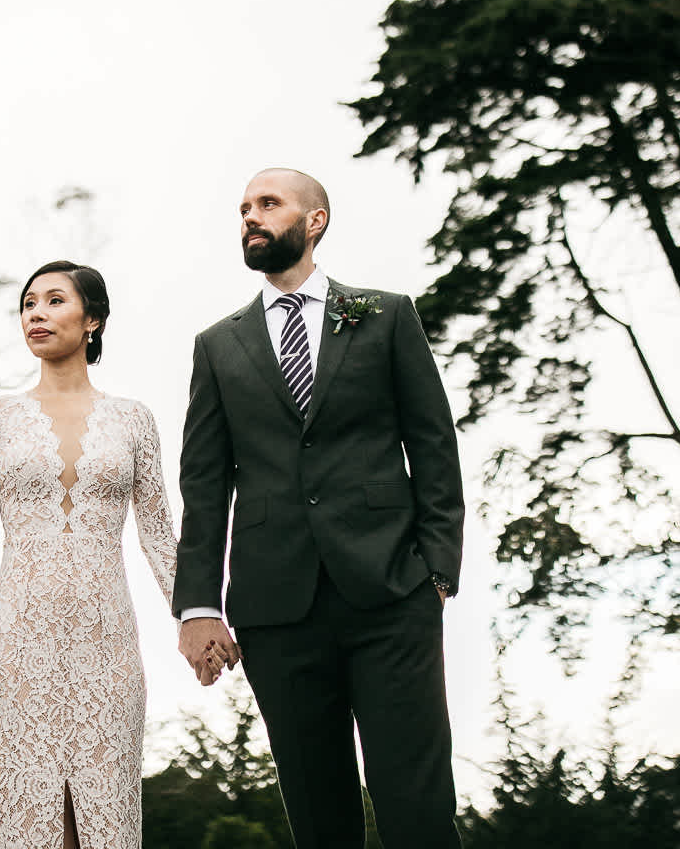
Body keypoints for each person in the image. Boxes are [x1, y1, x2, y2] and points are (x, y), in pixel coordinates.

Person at [172, 168, 467, 849]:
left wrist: (438, 570)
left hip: (392, 593)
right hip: (276, 609)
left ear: (314, 221)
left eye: (268, 204)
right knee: (318, 814)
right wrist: (197, 606)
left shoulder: (387, 315)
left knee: (416, 803)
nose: (251, 216)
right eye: (244, 207)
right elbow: (206, 483)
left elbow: (433, 446)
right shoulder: (218, 346)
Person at [0, 260, 188, 849]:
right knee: (20, 817)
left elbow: (159, 533)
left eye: (54, 301)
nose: (36, 313)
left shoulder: (134, 419)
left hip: (106, 640)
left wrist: (196, 615)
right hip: (16, 640)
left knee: (101, 816)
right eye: (28, 303)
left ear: (93, 320)